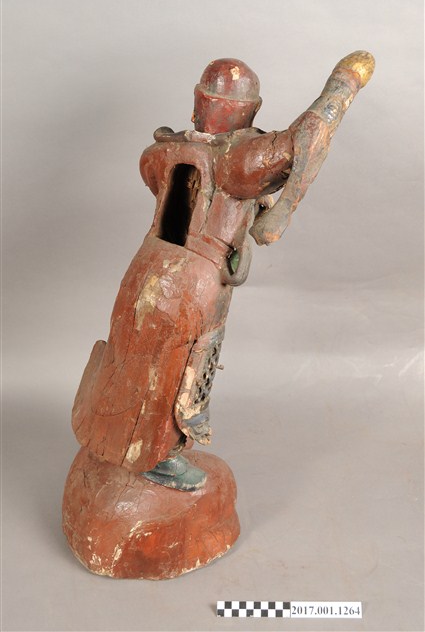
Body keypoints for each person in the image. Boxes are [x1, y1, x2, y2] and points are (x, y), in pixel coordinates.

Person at [72, 53, 374, 490]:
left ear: (199, 104)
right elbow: (310, 132)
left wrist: (258, 204)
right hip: (192, 283)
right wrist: (345, 83)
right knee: (176, 366)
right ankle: (158, 456)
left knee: (131, 357)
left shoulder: (161, 152)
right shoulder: (240, 161)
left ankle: (110, 441)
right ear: (250, 110)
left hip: (146, 267)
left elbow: (164, 182)